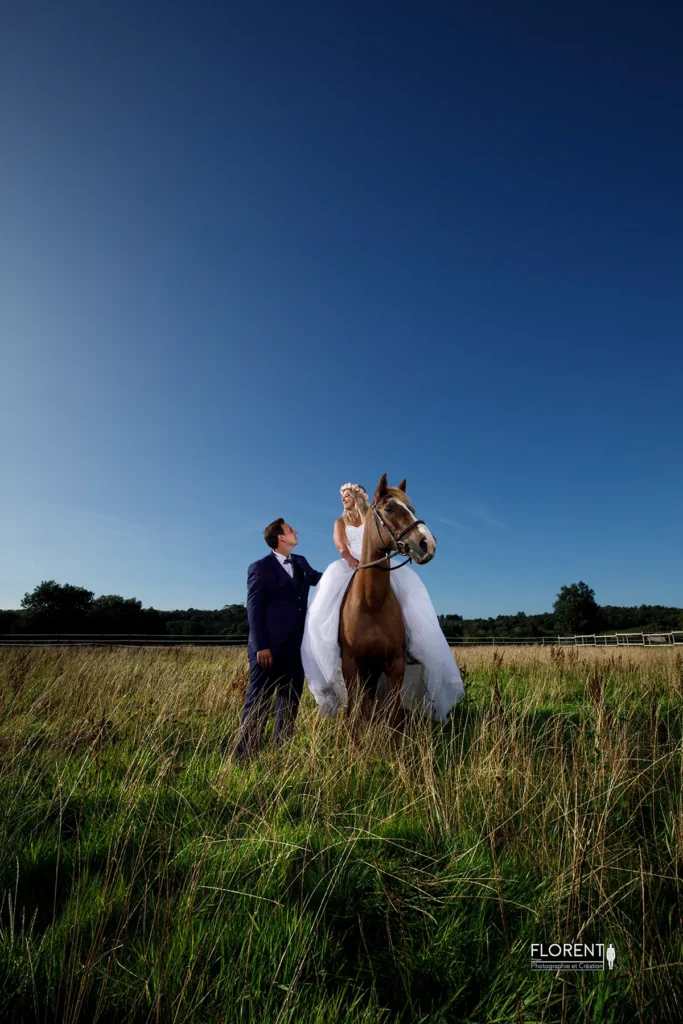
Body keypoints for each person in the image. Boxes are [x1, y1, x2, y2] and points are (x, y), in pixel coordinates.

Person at [301, 482, 465, 721]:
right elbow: (341, 545)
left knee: (412, 594)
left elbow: (388, 528)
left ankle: (415, 643)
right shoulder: (340, 522)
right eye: (342, 497)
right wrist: (350, 559)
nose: (343, 499)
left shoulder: (373, 513)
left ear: (357, 495)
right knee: (325, 600)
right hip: (352, 564)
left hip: (378, 561)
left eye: (347, 495)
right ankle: (328, 647)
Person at [233, 518, 322, 758]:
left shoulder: (301, 562)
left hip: (296, 646)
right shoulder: (260, 567)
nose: (295, 531)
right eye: (291, 529)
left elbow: (322, 581)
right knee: (259, 700)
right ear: (281, 537)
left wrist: (350, 569)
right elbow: (254, 609)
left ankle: (281, 752)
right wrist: (261, 646)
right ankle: (244, 755)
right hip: (268, 647)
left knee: (290, 700)